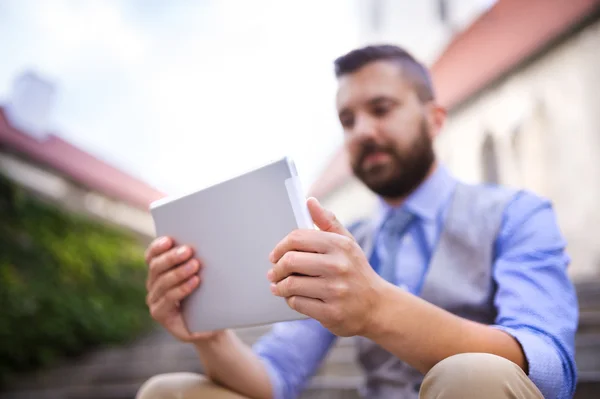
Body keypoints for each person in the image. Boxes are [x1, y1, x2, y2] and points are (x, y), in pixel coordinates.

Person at [137, 45, 579, 399]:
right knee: (168, 391)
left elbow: (549, 370)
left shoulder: (518, 214)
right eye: (347, 120)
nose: (362, 131)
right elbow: (274, 380)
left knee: (473, 376)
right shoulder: (339, 245)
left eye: (381, 108)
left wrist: (377, 308)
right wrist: (208, 335)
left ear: (434, 119)